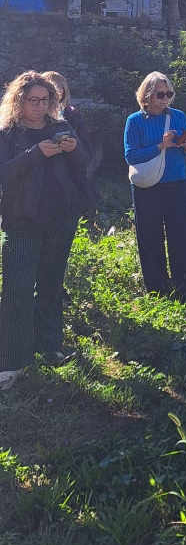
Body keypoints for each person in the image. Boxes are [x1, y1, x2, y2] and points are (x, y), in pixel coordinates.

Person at [0, 71, 96, 391]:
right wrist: (35, 153)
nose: (40, 106)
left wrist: (72, 148)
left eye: (45, 99)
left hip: (61, 219)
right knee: (17, 290)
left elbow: (83, 163)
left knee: (52, 285)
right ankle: (12, 362)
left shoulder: (60, 126)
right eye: (33, 100)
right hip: (21, 221)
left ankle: (50, 347)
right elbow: (4, 173)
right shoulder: (8, 134)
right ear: (19, 100)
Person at [124, 72, 186, 302]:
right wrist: (160, 146)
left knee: (182, 235)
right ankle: (157, 288)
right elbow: (131, 156)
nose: (165, 98)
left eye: (169, 93)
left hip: (175, 182)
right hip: (146, 186)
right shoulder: (135, 121)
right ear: (147, 95)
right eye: (160, 94)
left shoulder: (178, 116)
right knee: (150, 237)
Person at [42, 71, 92, 160]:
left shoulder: (74, 117)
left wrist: (73, 150)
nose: (56, 90)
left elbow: (87, 155)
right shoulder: (33, 117)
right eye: (52, 87)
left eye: (60, 86)